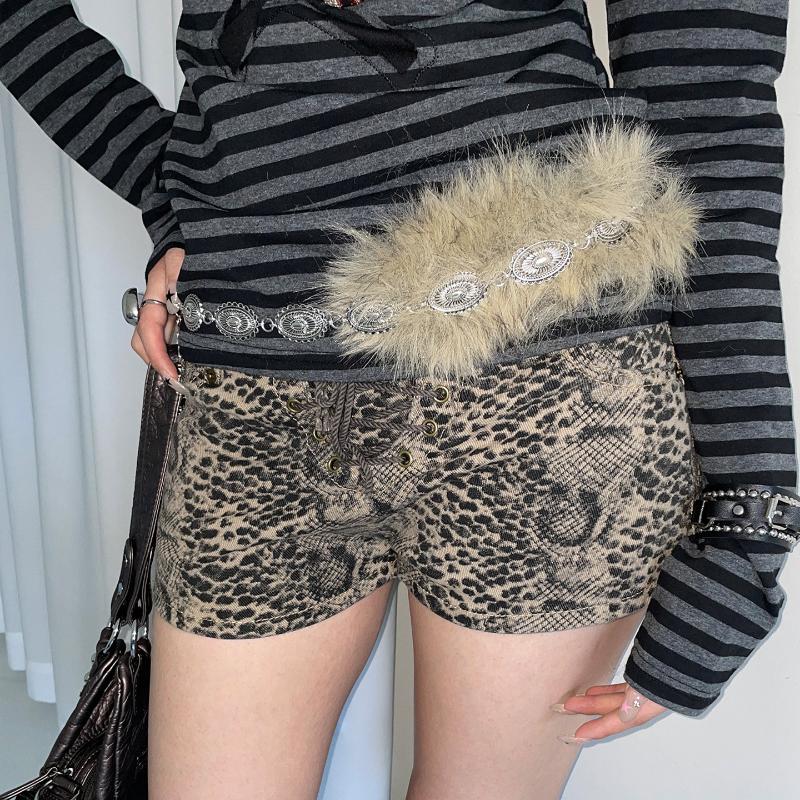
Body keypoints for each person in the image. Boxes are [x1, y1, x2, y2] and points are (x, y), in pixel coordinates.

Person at [1, 1, 796, 798]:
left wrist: (748, 515)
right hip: (255, 392)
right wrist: (179, 193)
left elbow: (710, 106)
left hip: (552, 393)